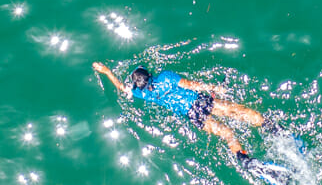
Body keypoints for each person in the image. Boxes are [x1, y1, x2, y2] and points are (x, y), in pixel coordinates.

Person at [93, 61, 267, 163]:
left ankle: (243, 158)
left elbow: (121, 87)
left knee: (227, 133)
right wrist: (216, 88)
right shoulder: (165, 77)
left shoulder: (142, 93)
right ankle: (269, 125)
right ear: (149, 74)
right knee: (239, 112)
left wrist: (106, 71)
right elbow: (192, 85)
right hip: (200, 101)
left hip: (192, 116)